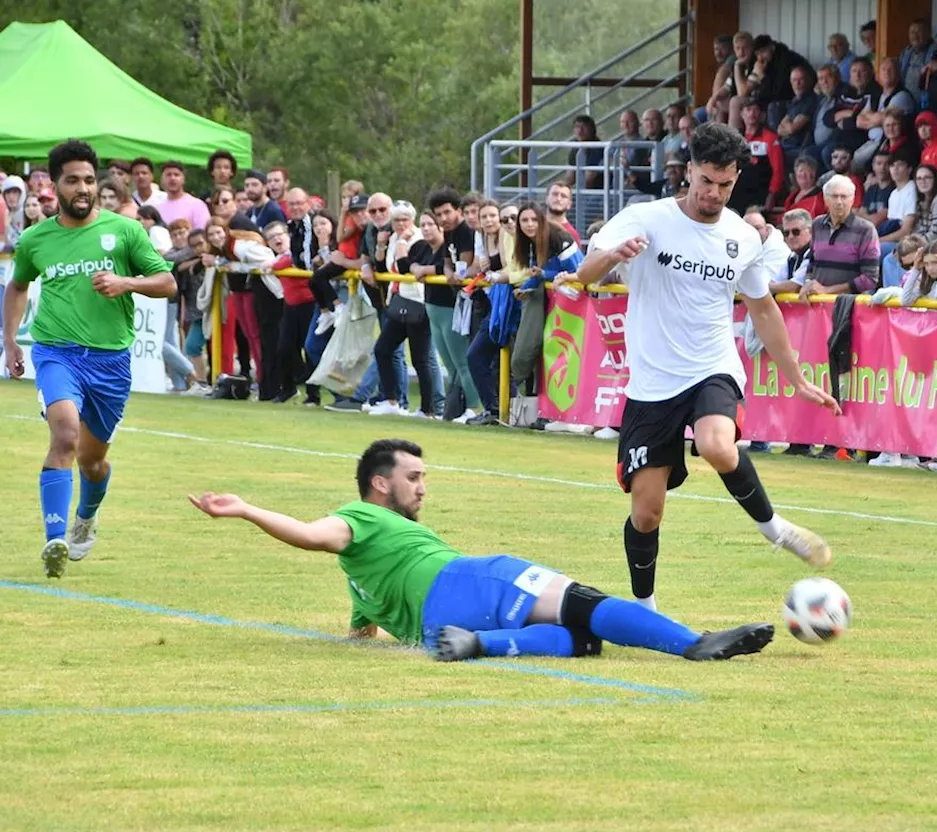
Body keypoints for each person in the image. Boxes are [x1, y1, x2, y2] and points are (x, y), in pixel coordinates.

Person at [190, 439, 774, 661]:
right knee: (582, 603)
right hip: (470, 579)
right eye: (412, 477)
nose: (422, 487)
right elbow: (317, 536)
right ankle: (692, 643)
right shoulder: (360, 516)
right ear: (378, 485)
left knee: (581, 642)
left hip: (436, 621)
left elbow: (362, 628)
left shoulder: (359, 575)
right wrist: (245, 509)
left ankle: (479, 644)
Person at [575, 122, 840, 611]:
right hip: (652, 383)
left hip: (712, 368)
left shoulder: (742, 236)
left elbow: (763, 309)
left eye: (725, 185)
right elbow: (582, 275)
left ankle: (775, 529)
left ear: (735, 180)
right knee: (648, 514)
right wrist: (613, 254)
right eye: (706, 182)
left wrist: (798, 378)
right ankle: (646, 609)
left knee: (718, 444)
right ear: (689, 171)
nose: (714, 193)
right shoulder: (645, 218)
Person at [2, 139, 176, 578]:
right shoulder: (36, 239)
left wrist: (126, 283)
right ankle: (54, 539)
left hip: (110, 362)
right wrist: (10, 342)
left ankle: (85, 517)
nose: (82, 188)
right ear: (54, 186)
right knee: (64, 436)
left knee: (92, 460)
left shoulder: (125, 231)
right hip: (56, 352)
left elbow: (167, 282)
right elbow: (18, 287)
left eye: (88, 180)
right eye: (72, 180)